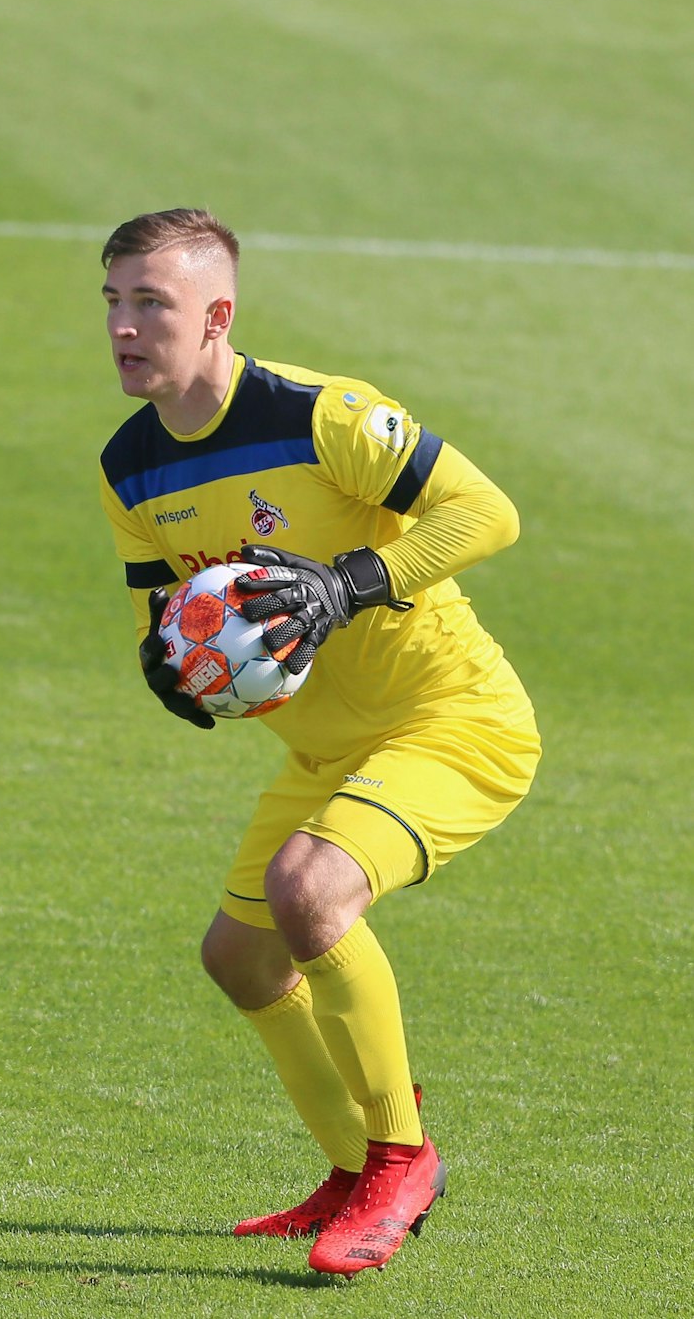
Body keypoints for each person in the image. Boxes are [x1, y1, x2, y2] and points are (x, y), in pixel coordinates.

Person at [95, 208, 539, 1276]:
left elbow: (487, 512)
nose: (123, 327)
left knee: (308, 893)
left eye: (150, 303)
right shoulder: (130, 466)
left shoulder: (317, 414)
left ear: (217, 316)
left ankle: (400, 1158)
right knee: (239, 956)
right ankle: (348, 1167)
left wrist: (348, 584)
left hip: (453, 721)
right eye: (111, 302)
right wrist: (168, 665)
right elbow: (169, 612)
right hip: (326, 752)